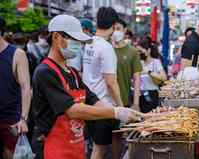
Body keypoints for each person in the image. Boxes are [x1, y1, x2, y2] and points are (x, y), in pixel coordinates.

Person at [31, 14, 142, 159]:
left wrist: (122, 111)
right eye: (74, 40)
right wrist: (115, 113)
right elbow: (72, 110)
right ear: (57, 37)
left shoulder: (73, 73)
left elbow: (92, 99)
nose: (78, 45)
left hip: (75, 146)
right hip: (52, 149)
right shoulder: (45, 73)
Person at [82, 7, 124, 159]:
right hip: (103, 105)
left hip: (89, 102)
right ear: (113, 25)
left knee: (95, 147)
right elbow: (111, 82)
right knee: (99, 150)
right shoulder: (106, 48)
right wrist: (120, 107)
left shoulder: (89, 43)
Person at [0, 16, 31, 159]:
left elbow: (26, 88)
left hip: (11, 119)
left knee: (11, 155)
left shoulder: (17, 54)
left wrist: (23, 118)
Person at [112, 18, 142, 109]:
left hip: (125, 100)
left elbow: (137, 79)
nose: (115, 32)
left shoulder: (132, 51)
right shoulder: (106, 49)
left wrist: (136, 103)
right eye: (113, 29)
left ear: (125, 30)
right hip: (107, 102)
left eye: (118, 28)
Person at [137, 38, 167, 113]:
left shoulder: (156, 62)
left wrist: (149, 72)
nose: (139, 53)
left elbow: (164, 77)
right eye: (138, 51)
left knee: (152, 115)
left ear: (148, 50)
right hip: (140, 94)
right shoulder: (138, 62)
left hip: (152, 93)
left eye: (141, 51)